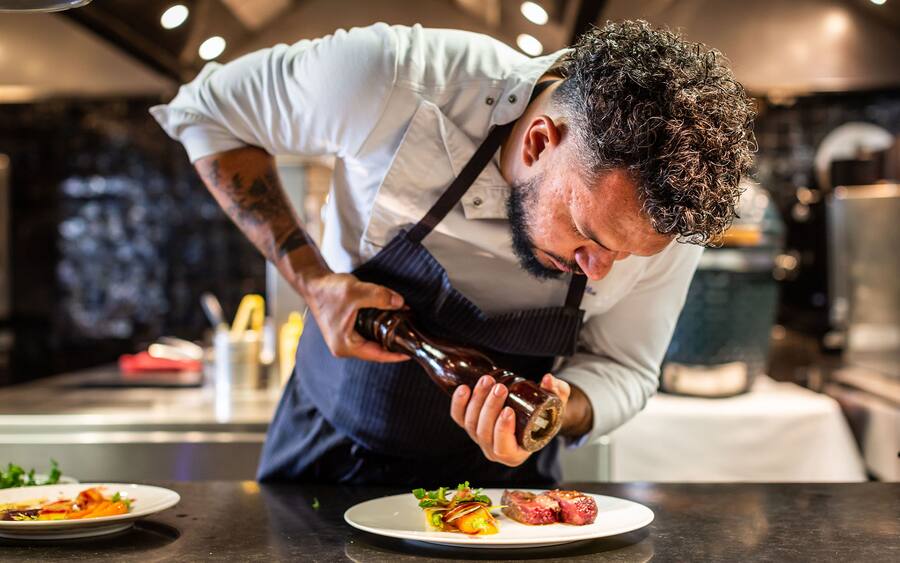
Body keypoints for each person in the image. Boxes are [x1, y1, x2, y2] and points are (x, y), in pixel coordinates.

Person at [151, 20, 755, 485]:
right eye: (588, 236)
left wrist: (555, 414)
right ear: (542, 141)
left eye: (628, 255)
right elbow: (206, 113)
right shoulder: (393, 78)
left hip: (507, 488)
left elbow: (626, 369)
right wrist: (311, 279)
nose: (600, 268)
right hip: (327, 453)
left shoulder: (667, 216)